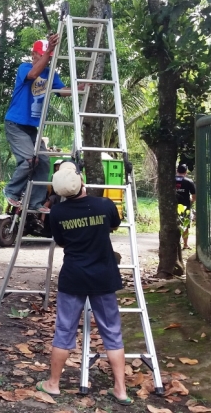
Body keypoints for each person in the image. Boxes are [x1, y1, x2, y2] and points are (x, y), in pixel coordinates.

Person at [35, 161, 132, 406]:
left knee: (65, 331)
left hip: (73, 277)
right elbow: (113, 225)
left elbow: (61, 241)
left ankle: (53, 384)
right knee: (112, 332)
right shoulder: (105, 205)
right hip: (104, 276)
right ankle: (120, 389)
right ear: (81, 182)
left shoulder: (57, 213)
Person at [4, 35, 74, 212]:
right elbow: (33, 74)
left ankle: (36, 202)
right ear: (33, 54)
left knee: (43, 160)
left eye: (48, 57)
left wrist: (76, 88)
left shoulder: (51, 74)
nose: (45, 59)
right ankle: (11, 191)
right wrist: (49, 50)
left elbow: (62, 91)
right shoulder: (24, 67)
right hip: (15, 123)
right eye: (41, 55)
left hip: (32, 127)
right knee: (29, 160)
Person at [175, 164, 197, 249]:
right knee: (185, 225)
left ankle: (175, 244)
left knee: (174, 225)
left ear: (177, 171)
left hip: (173, 206)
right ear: (186, 172)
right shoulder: (189, 181)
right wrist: (191, 200)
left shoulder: (171, 180)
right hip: (185, 206)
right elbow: (194, 197)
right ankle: (185, 244)